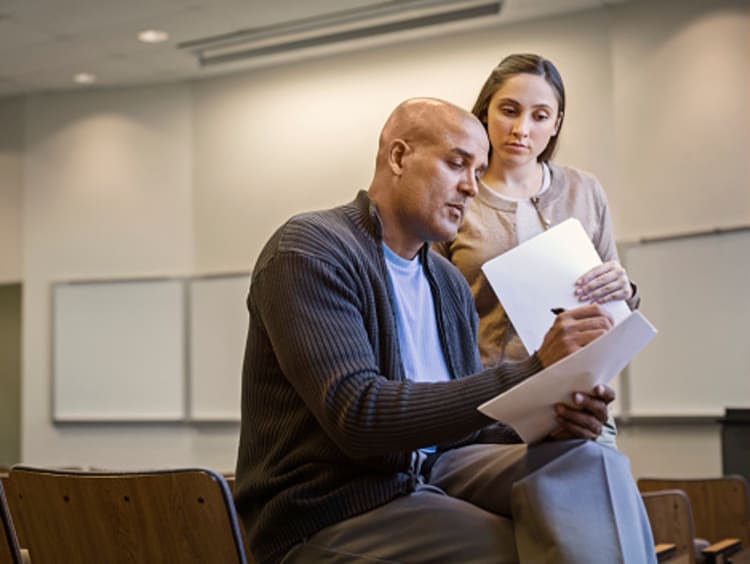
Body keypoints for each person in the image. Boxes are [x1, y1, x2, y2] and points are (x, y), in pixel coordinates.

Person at [234, 97, 655, 564]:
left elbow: (463, 439)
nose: (471, 187)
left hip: (435, 472)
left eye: (478, 172)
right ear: (398, 157)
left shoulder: (447, 281)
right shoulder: (311, 250)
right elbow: (359, 416)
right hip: (330, 509)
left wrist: (552, 424)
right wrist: (533, 370)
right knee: (526, 547)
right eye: (457, 164)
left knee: (589, 463)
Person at [435, 53, 640, 448]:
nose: (521, 129)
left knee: (594, 497)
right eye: (509, 111)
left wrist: (625, 290)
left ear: (556, 123)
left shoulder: (585, 191)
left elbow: (613, 312)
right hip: (492, 407)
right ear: (484, 113)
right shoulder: (456, 197)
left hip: (579, 401)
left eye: (540, 116)